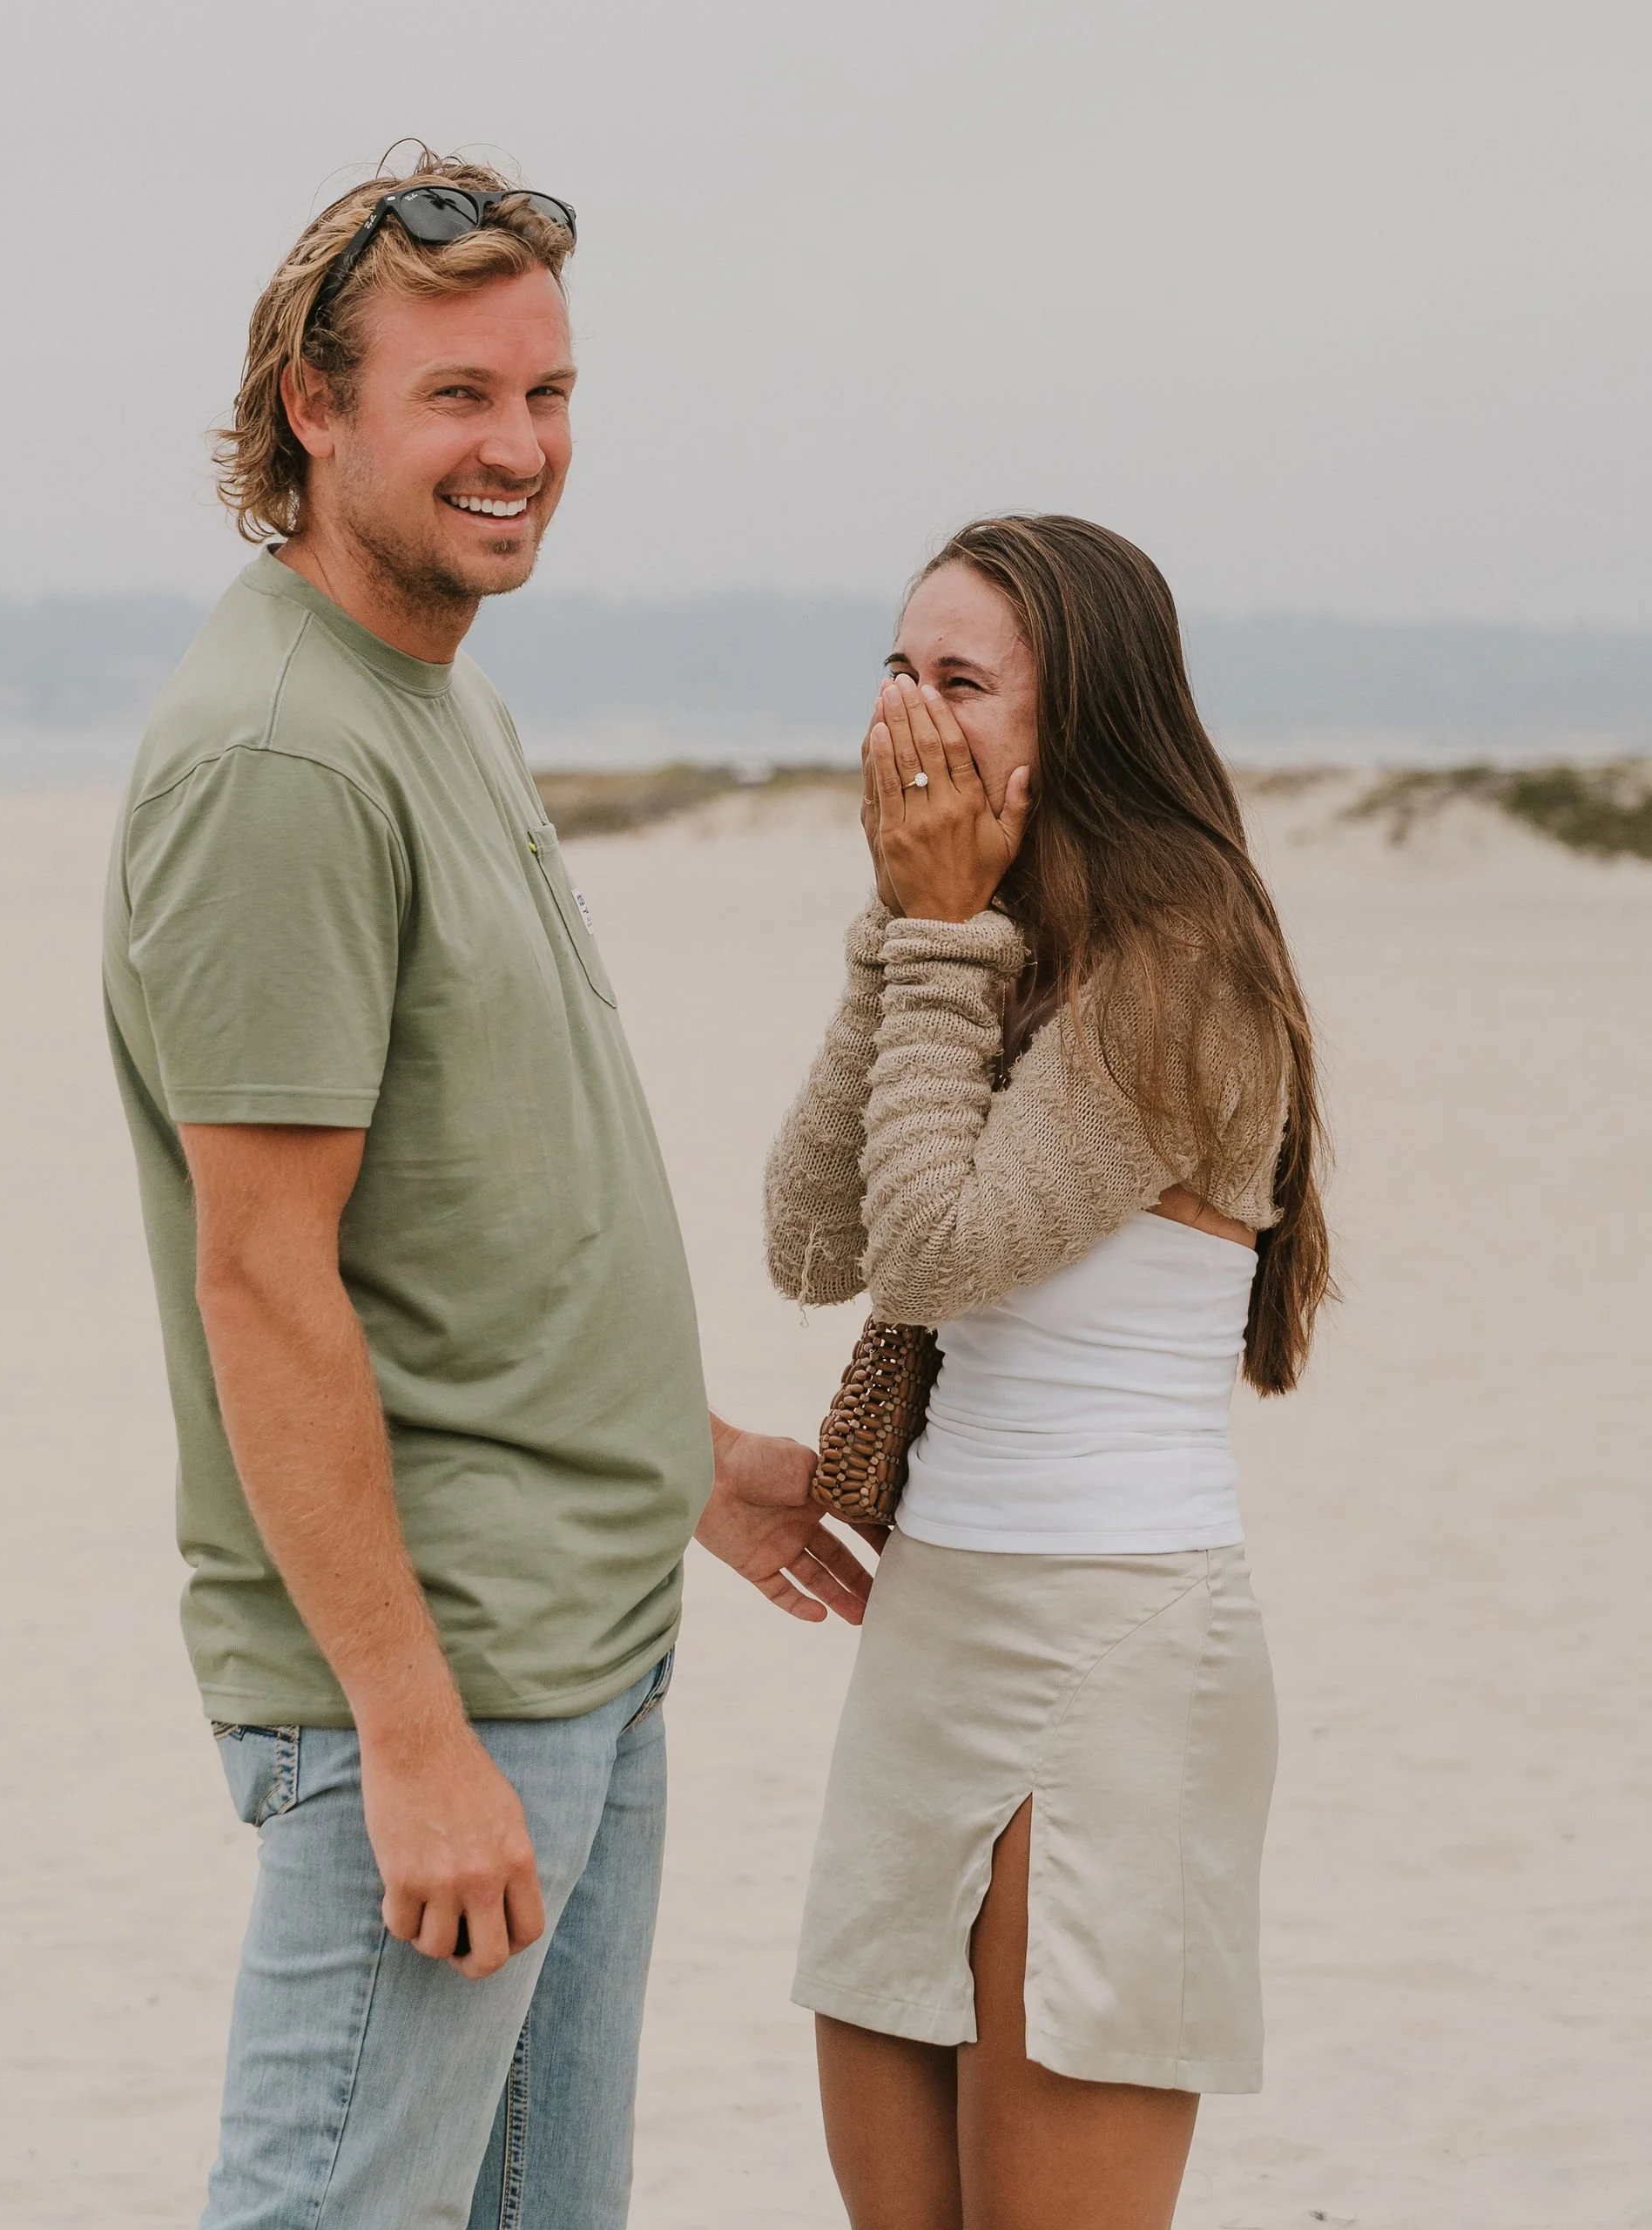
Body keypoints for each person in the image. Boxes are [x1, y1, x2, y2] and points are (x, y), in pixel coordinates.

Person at [103, 149, 872, 2230]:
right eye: (455, 395)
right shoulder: (281, 755)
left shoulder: (436, 694)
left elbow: (476, 1206)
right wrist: (410, 1730)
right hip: (443, 1679)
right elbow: (260, 1282)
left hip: (576, 1634)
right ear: (312, 407)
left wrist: (683, 1456)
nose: (517, 447)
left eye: (545, 393)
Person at [765, 514, 1332, 2230]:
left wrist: (935, 931)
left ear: (1068, 719)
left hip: (1115, 1643)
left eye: (959, 681)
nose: (909, 716)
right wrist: (903, 928)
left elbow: (933, 1250)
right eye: (895, 667)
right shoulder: (982, 941)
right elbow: (807, 1236)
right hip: (934, 1632)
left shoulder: (1186, 969)